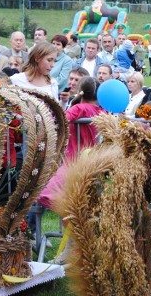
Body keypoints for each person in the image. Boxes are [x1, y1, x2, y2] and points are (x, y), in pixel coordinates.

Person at [37, 76, 103, 209]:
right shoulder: (102, 111)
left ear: (80, 91)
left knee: (53, 193)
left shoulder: (80, 108)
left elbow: (61, 120)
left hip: (75, 158)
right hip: (96, 160)